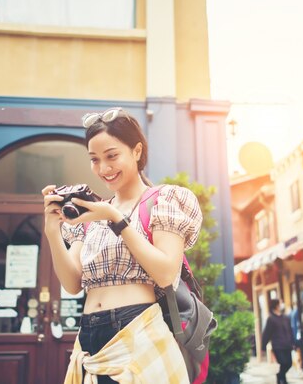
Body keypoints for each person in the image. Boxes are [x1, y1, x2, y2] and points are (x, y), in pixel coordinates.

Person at [42, 107, 203, 384]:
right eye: (94, 159)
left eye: (112, 156)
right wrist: (52, 230)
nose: (103, 168)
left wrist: (116, 219)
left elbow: (165, 273)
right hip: (89, 340)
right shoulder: (93, 216)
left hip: (138, 330)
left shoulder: (163, 200)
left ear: (137, 151)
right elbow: (72, 283)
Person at [261, 299, 294, 384]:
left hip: (287, 344)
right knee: (283, 362)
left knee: (289, 364)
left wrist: (293, 342)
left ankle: (280, 376)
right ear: (276, 305)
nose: (282, 304)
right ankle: (282, 379)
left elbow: (290, 330)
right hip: (278, 345)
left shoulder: (286, 317)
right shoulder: (271, 319)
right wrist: (263, 346)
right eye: (280, 303)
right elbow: (267, 333)